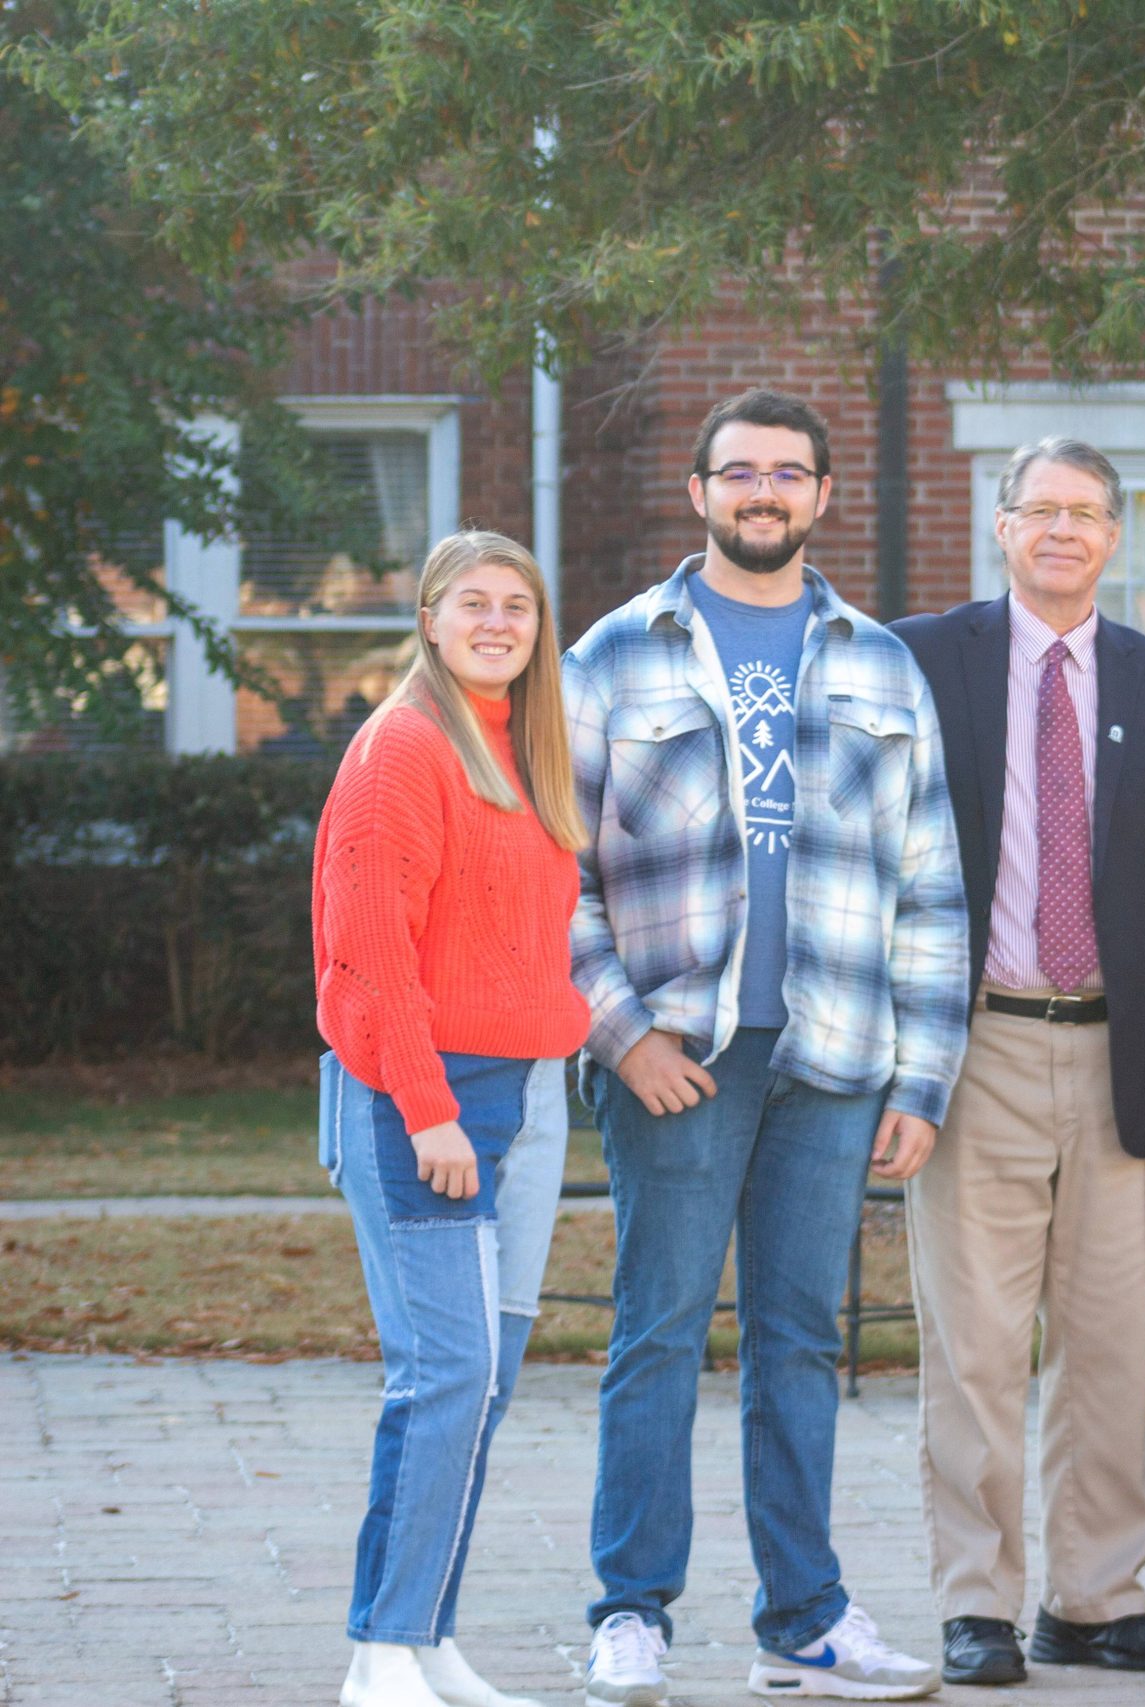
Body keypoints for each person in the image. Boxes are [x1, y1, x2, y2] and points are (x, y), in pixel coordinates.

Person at [566, 388, 969, 1704]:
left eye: (788, 473)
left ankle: (803, 1615)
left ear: (823, 496)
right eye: (739, 471)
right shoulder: (613, 658)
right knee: (659, 1332)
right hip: (679, 1050)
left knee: (801, 1339)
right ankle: (631, 1608)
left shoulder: (881, 665)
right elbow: (549, 883)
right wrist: (621, 1034)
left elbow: (932, 888)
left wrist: (924, 1075)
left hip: (838, 1058)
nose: (763, 492)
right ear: (697, 492)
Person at [889, 437, 1145, 1686]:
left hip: (1120, 1057)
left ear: (1117, 538)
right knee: (973, 1342)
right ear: (999, 524)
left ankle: (1094, 1599)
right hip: (973, 1044)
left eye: (1087, 514)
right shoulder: (923, 660)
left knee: (1107, 1346)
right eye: (1041, 510)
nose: (1062, 532)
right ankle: (976, 1601)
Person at [312, 529, 591, 1707]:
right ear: (428, 619)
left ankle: (428, 1638)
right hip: (418, 1098)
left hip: (527, 1100)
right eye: (471, 603)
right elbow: (372, 949)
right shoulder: (403, 749)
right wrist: (428, 1111)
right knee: (445, 1373)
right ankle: (379, 1650)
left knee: (488, 1379)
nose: (495, 623)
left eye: (516, 607)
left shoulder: (523, 750)